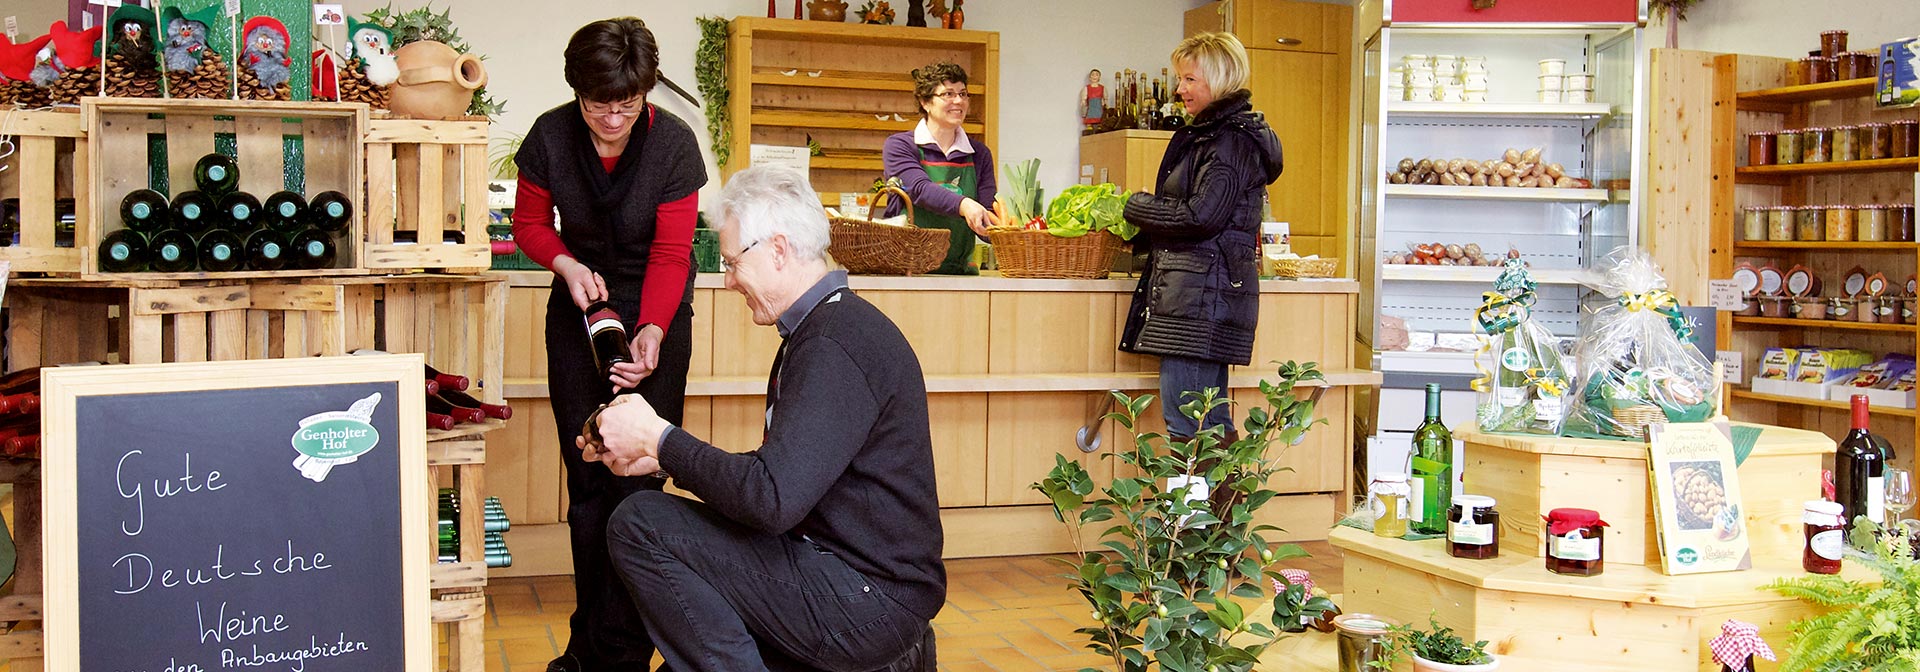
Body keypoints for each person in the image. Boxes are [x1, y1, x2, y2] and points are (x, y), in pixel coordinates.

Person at [583, 164, 944, 672]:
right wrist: (659, 461)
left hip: (867, 602)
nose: (729, 281)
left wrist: (659, 438)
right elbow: (786, 479)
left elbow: (772, 499)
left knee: (641, 522)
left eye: (732, 263)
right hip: (845, 579)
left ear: (777, 250)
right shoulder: (827, 328)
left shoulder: (833, 344)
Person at [509, 17, 707, 672]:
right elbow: (531, 225)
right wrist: (564, 264)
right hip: (577, 311)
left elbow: (674, 251)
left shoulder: (674, 146)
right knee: (588, 478)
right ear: (577, 92)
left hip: (657, 311)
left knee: (641, 483)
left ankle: (623, 652)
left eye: (629, 102)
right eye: (600, 104)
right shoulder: (549, 136)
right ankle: (588, 644)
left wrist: (652, 329)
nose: (615, 117)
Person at [1119, 32, 1283, 444]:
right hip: (1202, 295)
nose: (1179, 90)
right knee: (1206, 424)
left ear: (1219, 78)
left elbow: (1201, 216)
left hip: (1199, 300)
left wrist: (1135, 206)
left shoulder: (1227, 141)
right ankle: (1218, 509)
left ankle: (1195, 512)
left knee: (1188, 426)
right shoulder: (1220, 134)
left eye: (1190, 79)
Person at [881, 61, 997, 275]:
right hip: (906, 273)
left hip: (960, 273)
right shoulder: (900, 146)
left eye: (963, 94)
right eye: (948, 94)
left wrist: (1006, 231)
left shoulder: (979, 154)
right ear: (925, 102)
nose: (958, 101)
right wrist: (964, 205)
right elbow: (919, 189)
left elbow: (986, 212)